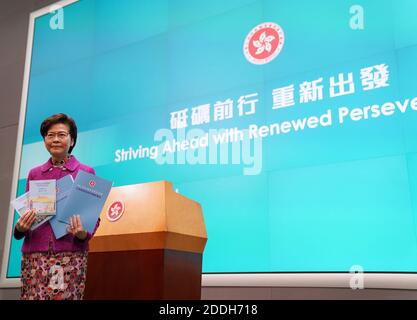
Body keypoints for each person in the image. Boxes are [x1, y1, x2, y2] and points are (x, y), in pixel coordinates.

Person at [13, 113, 100, 300]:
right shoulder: (35, 173)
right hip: (35, 254)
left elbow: (93, 218)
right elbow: (28, 214)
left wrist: (82, 233)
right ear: (44, 140)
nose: (55, 139)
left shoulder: (85, 172)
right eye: (50, 135)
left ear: (72, 139)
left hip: (69, 254)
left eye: (61, 134)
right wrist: (20, 229)